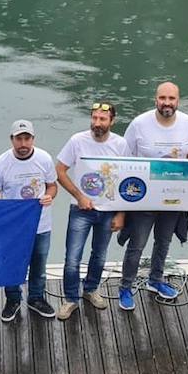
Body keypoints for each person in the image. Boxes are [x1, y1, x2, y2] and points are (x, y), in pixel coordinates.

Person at [117, 82, 188, 311]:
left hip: (173, 198)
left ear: (178, 101)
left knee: (163, 241)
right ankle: (126, 286)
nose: (167, 103)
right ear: (156, 99)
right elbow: (126, 157)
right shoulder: (139, 124)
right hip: (145, 198)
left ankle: (156, 280)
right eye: (163, 98)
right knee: (137, 244)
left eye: (171, 98)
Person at [54, 102, 128, 320]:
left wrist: (122, 214)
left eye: (102, 119)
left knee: (99, 254)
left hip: (108, 210)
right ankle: (70, 299)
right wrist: (79, 196)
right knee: (73, 257)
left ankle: (91, 289)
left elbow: (126, 179)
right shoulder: (77, 141)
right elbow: (59, 170)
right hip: (80, 209)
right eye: (94, 118)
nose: (97, 123)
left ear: (112, 121)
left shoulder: (121, 144)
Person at [0, 119, 58, 322]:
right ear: (12, 140)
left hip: (40, 224)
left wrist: (49, 196)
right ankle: (12, 299)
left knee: (39, 264)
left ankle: (36, 298)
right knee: (11, 264)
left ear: (33, 139)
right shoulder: (1, 163)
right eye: (19, 139)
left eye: (27, 138)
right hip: (12, 227)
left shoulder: (44, 159)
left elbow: (52, 186)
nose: (23, 144)